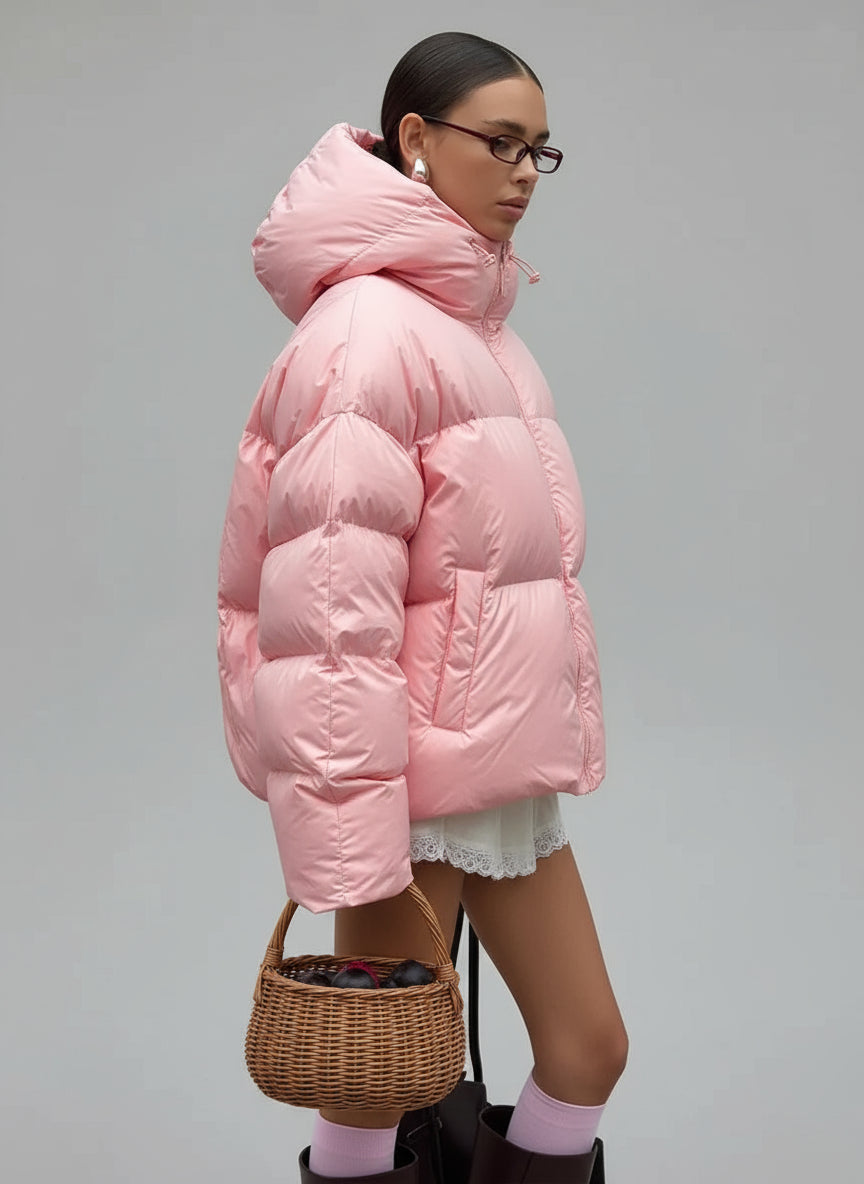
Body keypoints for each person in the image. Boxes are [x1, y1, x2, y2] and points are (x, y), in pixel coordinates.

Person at [217, 29, 628, 1184]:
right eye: (500, 142)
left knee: (587, 1049)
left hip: (496, 768)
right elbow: (326, 619)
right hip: (401, 789)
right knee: (374, 1078)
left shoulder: (479, 335)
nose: (523, 174)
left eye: (540, 151)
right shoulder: (365, 334)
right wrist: (352, 838)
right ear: (414, 139)